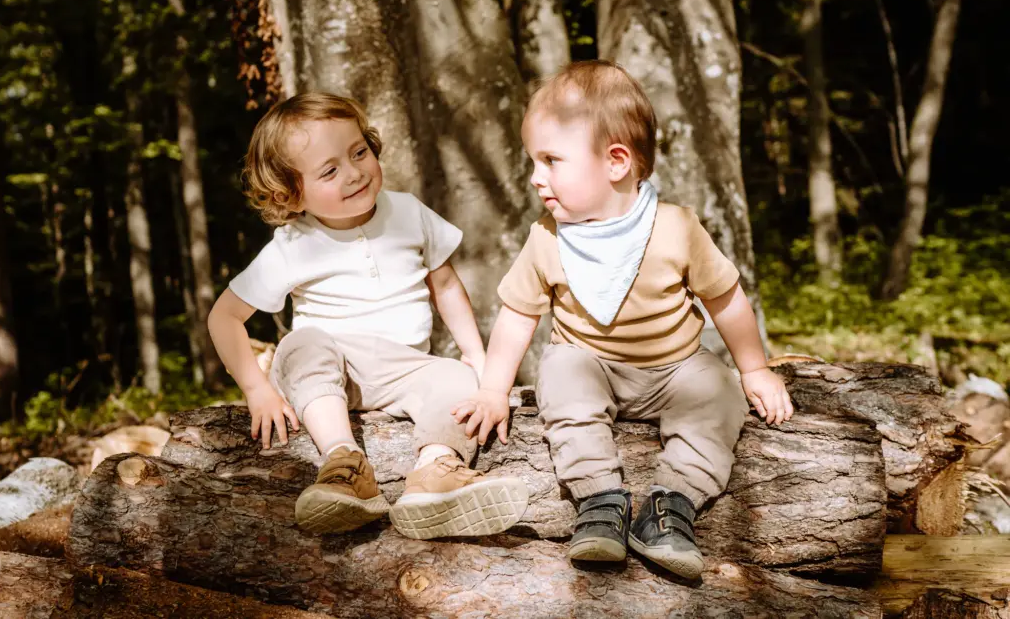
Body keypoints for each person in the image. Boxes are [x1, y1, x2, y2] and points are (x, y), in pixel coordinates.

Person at [453, 61, 793, 578]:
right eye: (533, 161)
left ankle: (671, 505)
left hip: (675, 367)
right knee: (561, 370)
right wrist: (494, 389)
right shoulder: (547, 236)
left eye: (550, 160)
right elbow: (518, 316)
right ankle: (600, 503)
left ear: (616, 162)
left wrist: (754, 369)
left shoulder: (676, 227)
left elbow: (726, 298)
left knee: (718, 389)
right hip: (592, 365)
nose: (535, 177)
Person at [208, 92, 528, 540]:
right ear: (292, 194)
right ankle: (344, 465)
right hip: (332, 368)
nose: (355, 172)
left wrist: (476, 355)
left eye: (359, 152)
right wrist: (257, 389)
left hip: (408, 367)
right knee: (302, 345)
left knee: (457, 378)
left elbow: (446, 285)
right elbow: (224, 317)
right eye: (330, 170)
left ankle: (435, 472)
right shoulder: (292, 245)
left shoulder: (408, 212)